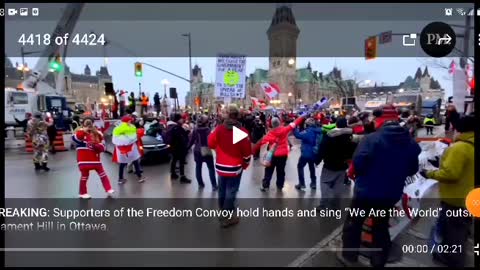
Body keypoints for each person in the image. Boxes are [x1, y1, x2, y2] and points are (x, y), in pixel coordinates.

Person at [338, 119, 421, 267]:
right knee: (381, 227)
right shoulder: (410, 144)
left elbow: (359, 163)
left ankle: (349, 257)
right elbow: (412, 170)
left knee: (354, 224)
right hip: (389, 195)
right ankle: (378, 261)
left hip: (366, 193)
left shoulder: (371, 139)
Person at [420, 114, 474, 267]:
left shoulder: (459, 148)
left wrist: (429, 173)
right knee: (461, 230)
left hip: (456, 198)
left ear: (459, 129)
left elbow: (450, 174)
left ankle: (453, 260)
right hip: (470, 197)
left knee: (453, 232)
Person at [208, 104, 252, 227]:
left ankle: (222, 211)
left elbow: (210, 143)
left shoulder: (219, 129)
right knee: (231, 192)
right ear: (237, 116)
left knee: (222, 190)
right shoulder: (242, 132)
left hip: (220, 167)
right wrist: (245, 164)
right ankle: (226, 217)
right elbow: (247, 153)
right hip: (235, 167)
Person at [253, 115, 305, 192]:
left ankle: (265, 185)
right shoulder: (285, 129)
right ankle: (280, 185)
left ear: (272, 124)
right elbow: (295, 123)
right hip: (283, 155)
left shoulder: (269, 134)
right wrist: (302, 117)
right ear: (279, 122)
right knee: (281, 171)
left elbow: (259, 143)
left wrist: (253, 151)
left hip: (272, 155)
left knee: (269, 170)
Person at [315, 117, 355, 209]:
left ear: (336, 125)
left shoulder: (330, 135)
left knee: (325, 183)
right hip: (342, 165)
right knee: (338, 186)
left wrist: (317, 160)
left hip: (329, 164)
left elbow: (322, 149)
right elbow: (353, 149)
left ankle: (323, 205)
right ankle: (335, 205)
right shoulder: (350, 136)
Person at [72, 118, 114, 199]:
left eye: (90, 123)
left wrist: (96, 145)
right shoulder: (80, 132)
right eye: (86, 123)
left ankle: (108, 188)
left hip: (95, 159)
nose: (89, 125)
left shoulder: (97, 133)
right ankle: (82, 193)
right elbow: (75, 139)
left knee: (103, 174)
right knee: (84, 176)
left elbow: (102, 147)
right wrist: (84, 130)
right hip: (83, 159)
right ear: (83, 124)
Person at [112, 116, 146, 184]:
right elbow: (132, 138)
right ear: (127, 121)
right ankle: (139, 177)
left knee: (122, 164)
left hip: (121, 150)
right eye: (130, 120)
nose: (131, 121)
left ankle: (120, 179)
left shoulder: (117, 129)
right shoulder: (130, 128)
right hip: (130, 149)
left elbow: (115, 140)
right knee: (135, 162)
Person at [188, 114, 217, 190]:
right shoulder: (208, 130)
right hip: (206, 149)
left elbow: (191, 141)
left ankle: (200, 183)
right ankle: (214, 185)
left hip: (197, 150)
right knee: (211, 168)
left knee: (198, 167)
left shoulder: (195, 130)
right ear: (206, 122)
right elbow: (212, 141)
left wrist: (187, 148)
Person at [293, 118, 323, 190]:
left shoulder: (307, 131)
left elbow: (298, 135)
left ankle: (302, 183)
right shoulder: (319, 131)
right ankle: (313, 183)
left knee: (300, 166)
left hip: (306, 153)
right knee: (311, 167)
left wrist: (294, 127)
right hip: (314, 153)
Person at [165, 113, 192, 183]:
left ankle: (173, 174)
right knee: (181, 162)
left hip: (173, 147)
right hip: (179, 147)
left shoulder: (170, 126)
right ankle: (182, 177)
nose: (182, 119)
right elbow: (180, 137)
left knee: (174, 160)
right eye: (181, 118)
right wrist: (187, 133)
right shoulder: (177, 127)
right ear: (178, 119)